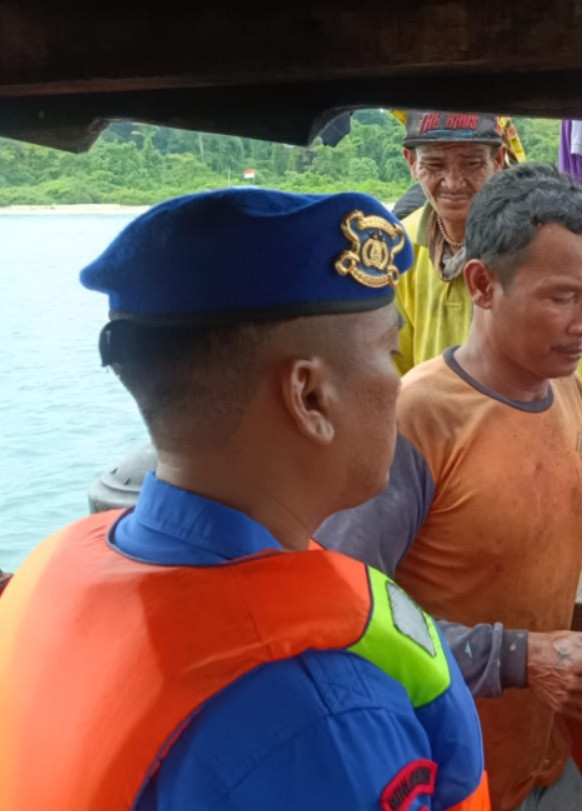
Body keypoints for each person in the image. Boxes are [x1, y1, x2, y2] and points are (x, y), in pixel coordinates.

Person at [0, 190, 489, 810]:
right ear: (309, 397)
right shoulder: (322, 720)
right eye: (389, 352)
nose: (400, 383)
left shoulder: (54, 567)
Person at [318, 164, 582, 811]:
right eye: (561, 298)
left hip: (540, 760)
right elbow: (342, 614)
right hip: (439, 776)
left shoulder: (568, 391)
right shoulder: (415, 421)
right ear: (481, 284)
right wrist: (517, 658)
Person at [394, 110, 514, 373]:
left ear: (498, 160)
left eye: (471, 164)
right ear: (411, 162)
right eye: (434, 165)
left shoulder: (527, 243)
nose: (453, 183)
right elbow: (395, 363)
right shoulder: (400, 245)